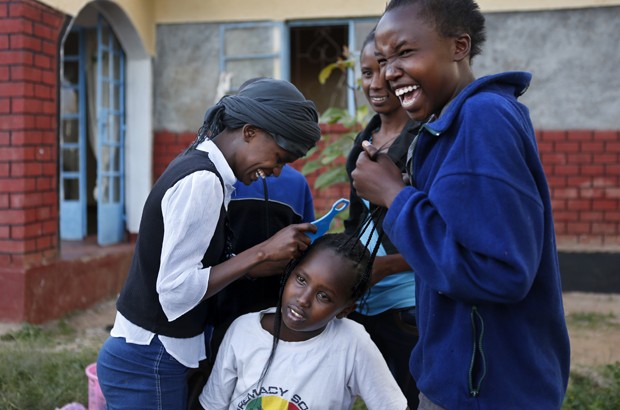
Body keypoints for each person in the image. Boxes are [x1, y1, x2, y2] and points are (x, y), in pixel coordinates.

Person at [351, 1, 570, 409]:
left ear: (459, 46)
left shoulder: (482, 120)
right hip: (456, 380)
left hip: (487, 393)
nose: (388, 72)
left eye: (404, 52)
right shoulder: (448, 125)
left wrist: (394, 196)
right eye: (382, 60)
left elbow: (499, 272)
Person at [96, 78, 322, 409]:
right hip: (151, 361)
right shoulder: (203, 181)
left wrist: (254, 266)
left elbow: (195, 267)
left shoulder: (204, 167)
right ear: (249, 132)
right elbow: (174, 291)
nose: (276, 172)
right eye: (278, 157)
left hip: (151, 357)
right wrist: (261, 252)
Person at [198, 233, 409, 410]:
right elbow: (214, 405)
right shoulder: (243, 330)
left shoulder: (352, 343)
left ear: (345, 310)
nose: (303, 299)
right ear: (289, 272)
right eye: (301, 280)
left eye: (323, 296)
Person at [344, 28, 420, 408]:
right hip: (364, 302)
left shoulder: (424, 141)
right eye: (366, 72)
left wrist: (386, 266)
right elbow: (357, 222)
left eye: (384, 69)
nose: (376, 83)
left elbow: (443, 235)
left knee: (407, 398)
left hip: (409, 307)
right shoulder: (365, 141)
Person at [208, 163, 316, 359]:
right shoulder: (216, 178)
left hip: (276, 315)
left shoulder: (296, 182)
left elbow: (307, 244)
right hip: (218, 311)